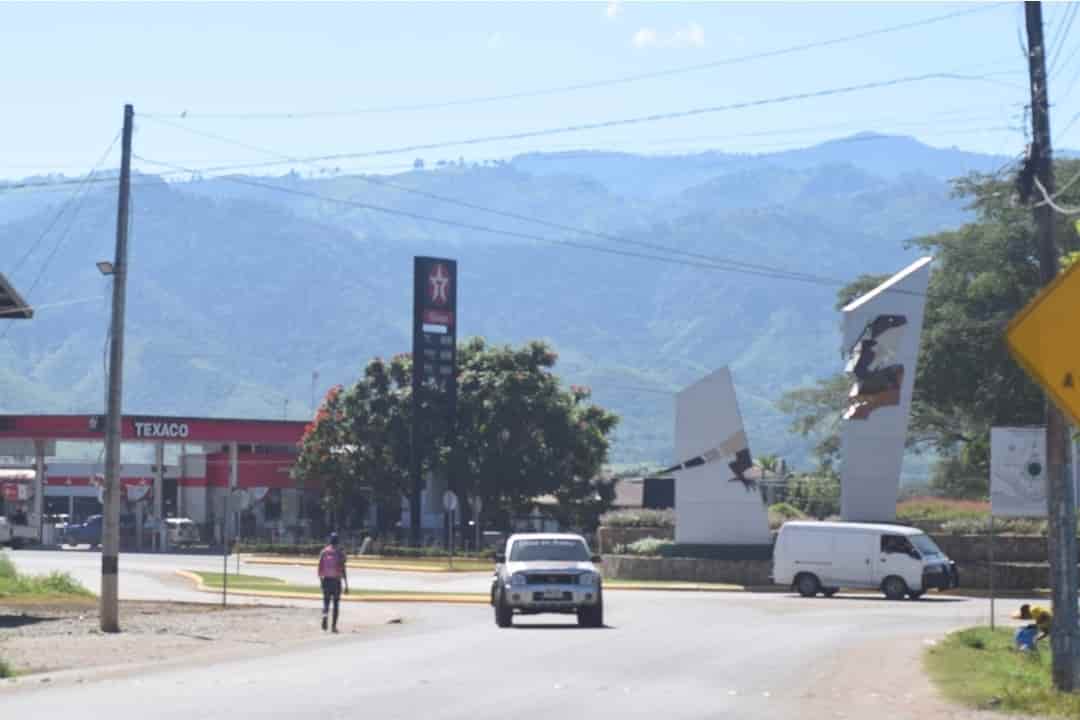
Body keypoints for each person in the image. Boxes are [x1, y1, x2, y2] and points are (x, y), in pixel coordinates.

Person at [317, 532, 348, 633]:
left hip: (326, 580)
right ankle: (334, 627)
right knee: (336, 604)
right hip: (336, 581)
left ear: (329, 540)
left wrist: (321, 581)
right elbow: (343, 569)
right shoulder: (340, 552)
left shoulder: (324, 551)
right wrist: (346, 585)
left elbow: (319, 568)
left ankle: (325, 615)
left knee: (326, 602)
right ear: (338, 541)